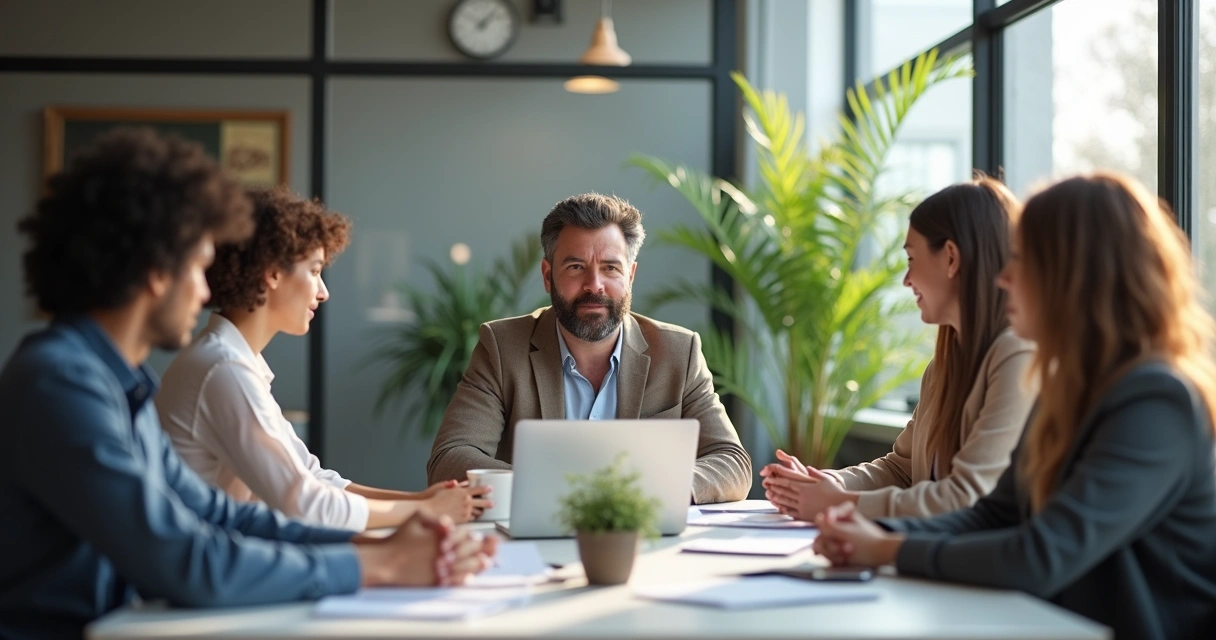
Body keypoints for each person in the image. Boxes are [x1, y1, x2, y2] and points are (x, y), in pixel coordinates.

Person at [0, 129, 495, 640]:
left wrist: (377, 548)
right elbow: (185, 559)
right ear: (155, 272)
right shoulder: (59, 385)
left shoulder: (118, 384)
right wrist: (382, 564)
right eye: (198, 267)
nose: (205, 290)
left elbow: (216, 514)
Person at [811, 173, 1216, 639]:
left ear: (1074, 275)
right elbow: (993, 515)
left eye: (1021, 260)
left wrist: (886, 549)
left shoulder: (1157, 402)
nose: (1003, 277)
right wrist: (871, 531)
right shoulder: (1066, 387)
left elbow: (1041, 555)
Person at [157, 186, 491, 531]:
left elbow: (312, 477)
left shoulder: (235, 363)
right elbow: (303, 503)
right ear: (273, 272)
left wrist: (419, 501)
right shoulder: (224, 369)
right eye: (314, 271)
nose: (323, 292)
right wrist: (425, 511)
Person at [426, 193, 752, 504]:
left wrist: (660, 489)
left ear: (630, 276)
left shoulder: (678, 352)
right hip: (535, 538)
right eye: (576, 267)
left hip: (645, 534)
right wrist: (572, 491)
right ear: (548, 276)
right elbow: (450, 458)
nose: (594, 285)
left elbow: (731, 461)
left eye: (610, 267)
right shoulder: (503, 347)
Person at [761, 177, 1035, 519]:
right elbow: (901, 470)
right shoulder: (943, 366)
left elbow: (967, 497)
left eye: (911, 258)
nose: (906, 280)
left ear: (951, 258)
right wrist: (823, 483)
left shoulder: (1016, 356)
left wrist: (838, 503)